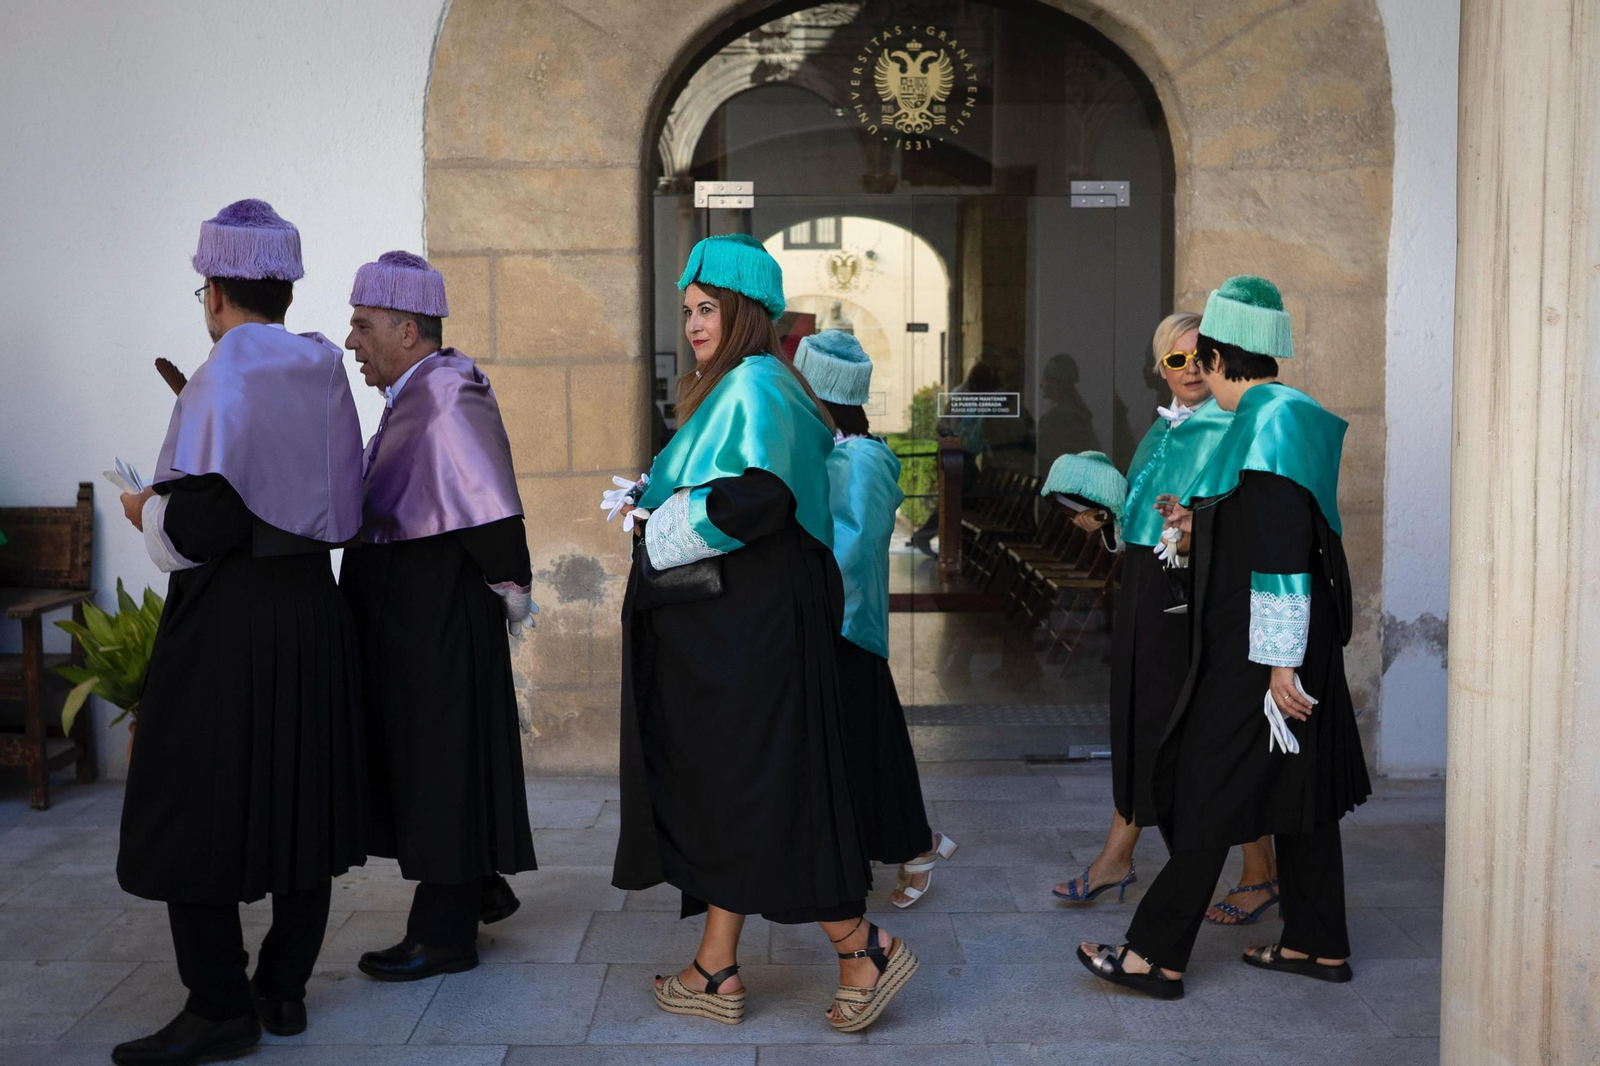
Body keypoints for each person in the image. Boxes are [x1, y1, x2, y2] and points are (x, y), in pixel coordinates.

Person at [610, 234, 917, 1034]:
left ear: (744, 313)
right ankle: (716, 967)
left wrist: (658, 529)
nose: (694, 325)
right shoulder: (750, 387)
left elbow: (756, 501)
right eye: (687, 312)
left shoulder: (756, 385)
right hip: (739, 633)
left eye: (707, 310)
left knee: (764, 791)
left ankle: (863, 946)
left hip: (752, 641)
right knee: (736, 789)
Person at [112, 199, 366, 1065]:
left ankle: (220, 1005)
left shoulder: (223, 372)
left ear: (216, 291)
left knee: (194, 803)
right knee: (301, 796)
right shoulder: (326, 366)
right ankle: (282, 989)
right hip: (311, 609)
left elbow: (206, 521)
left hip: (230, 618)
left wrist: (147, 510)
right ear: (284, 288)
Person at [1078, 275, 1371, 998]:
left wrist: (1279, 666)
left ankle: (1156, 956)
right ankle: (1317, 944)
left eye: (1196, 358)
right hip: (1285, 640)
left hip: (1264, 648)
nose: (1195, 373)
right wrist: (1195, 525)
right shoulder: (1282, 410)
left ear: (1213, 356)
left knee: (1204, 786)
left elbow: (1278, 552)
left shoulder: (1265, 422)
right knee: (1301, 796)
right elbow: (1265, 527)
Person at [338, 251, 538, 981]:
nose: (352, 341)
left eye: (363, 326)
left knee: (442, 763)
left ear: (408, 330)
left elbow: (491, 517)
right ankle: (477, 885)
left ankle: (445, 933)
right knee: (429, 761)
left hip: (438, 621)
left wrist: (511, 588)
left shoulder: (448, 391)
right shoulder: (412, 392)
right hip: (413, 616)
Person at [1052, 313, 1281, 919]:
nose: (1192, 371)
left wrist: (1192, 539)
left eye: (1200, 358)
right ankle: (1118, 857)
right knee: (1146, 726)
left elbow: (1240, 525)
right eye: (1177, 361)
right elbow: (1141, 520)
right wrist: (1103, 522)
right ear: (1160, 369)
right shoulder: (1160, 432)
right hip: (1148, 594)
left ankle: (1257, 871)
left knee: (1207, 733)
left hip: (1195, 599)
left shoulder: (1230, 426)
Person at [791, 330, 956, 909]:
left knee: (865, 744)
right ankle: (913, 845)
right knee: (866, 744)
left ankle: (917, 845)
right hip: (837, 624)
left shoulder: (857, 460)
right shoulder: (842, 451)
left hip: (843, 627)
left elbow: (851, 554)